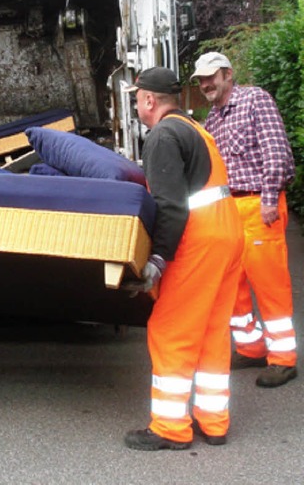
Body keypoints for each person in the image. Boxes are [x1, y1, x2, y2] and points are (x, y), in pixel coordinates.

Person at [122, 67, 244, 450]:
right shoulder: (195, 129)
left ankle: (171, 428)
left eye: (136, 98)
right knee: (210, 332)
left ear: (148, 100)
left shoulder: (162, 135)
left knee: (171, 329)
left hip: (199, 242)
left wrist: (157, 260)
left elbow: (170, 206)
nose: (136, 106)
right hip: (227, 234)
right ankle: (214, 421)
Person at [191, 52, 297, 388]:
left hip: (257, 206)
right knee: (233, 285)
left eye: (211, 76)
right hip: (230, 211)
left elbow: (277, 152)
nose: (205, 84)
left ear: (227, 74)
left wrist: (269, 201)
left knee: (269, 285)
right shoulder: (215, 118)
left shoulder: (255, 100)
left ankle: (283, 358)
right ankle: (251, 347)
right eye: (201, 79)